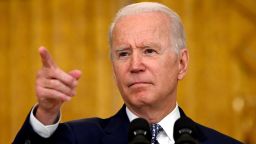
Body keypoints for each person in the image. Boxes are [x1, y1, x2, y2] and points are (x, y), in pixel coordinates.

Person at [13, 2, 242, 144]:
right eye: (123, 54)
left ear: (181, 64)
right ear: (114, 70)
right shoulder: (77, 139)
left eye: (149, 51)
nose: (135, 65)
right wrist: (46, 112)